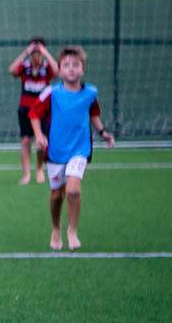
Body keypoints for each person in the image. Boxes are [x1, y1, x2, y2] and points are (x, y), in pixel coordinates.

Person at [29, 46, 115, 251]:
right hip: (56, 151)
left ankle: (72, 231)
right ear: (59, 70)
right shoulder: (52, 92)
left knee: (73, 191)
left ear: (82, 69)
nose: (71, 69)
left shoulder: (90, 93)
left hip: (80, 149)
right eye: (66, 65)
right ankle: (56, 227)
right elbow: (33, 114)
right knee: (57, 195)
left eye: (76, 65)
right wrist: (39, 136)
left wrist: (103, 133)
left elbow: (93, 113)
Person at [8, 37, 57, 185]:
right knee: (25, 140)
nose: (36, 54)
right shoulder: (25, 66)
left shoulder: (47, 67)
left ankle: (39, 169)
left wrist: (46, 53)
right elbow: (11, 70)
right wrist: (25, 52)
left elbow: (58, 71)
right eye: (33, 51)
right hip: (25, 110)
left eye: (38, 51)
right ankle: (26, 174)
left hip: (42, 111)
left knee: (41, 142)